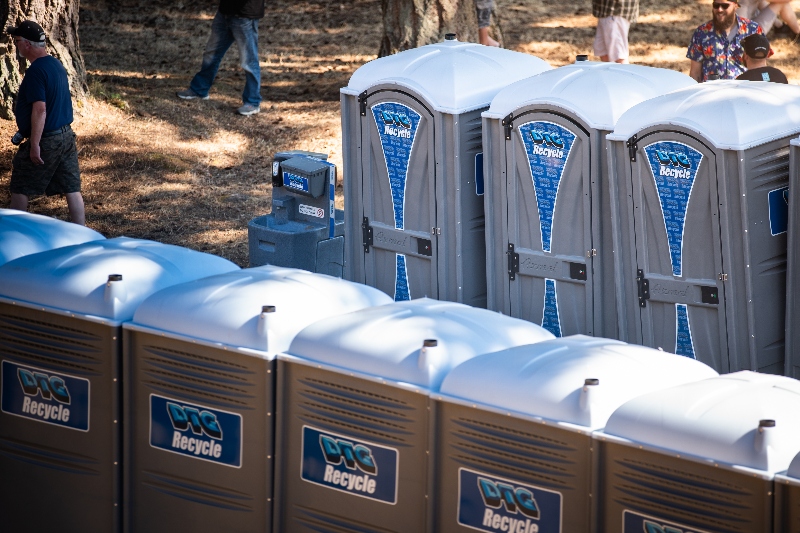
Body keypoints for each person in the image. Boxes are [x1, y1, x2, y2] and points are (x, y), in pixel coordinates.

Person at [7, 20, 85, 225]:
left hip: (47, 140)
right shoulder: (55, 64)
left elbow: (40, 109)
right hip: (66, 137)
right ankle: (83, 234)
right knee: (72, 189)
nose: (15, 45)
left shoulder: (35, 72)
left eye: (16, 41)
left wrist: (34, 145)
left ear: (26, 44)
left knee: (20, 187)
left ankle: (13, 237)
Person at [176, 0, 265, 116]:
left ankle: (253, 102)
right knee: (211, 54)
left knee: (248, 61)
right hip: (224, 12)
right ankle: (200, 89)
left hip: (245, 16)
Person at [687, 0, 763, 82]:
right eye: (716, 5)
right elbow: (695, 73)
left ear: (736, 6)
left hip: (743, 90)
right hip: (712, 92)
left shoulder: (752, 30)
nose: (720, 9)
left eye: (725, 6)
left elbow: (761, 67)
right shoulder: (701, 33)